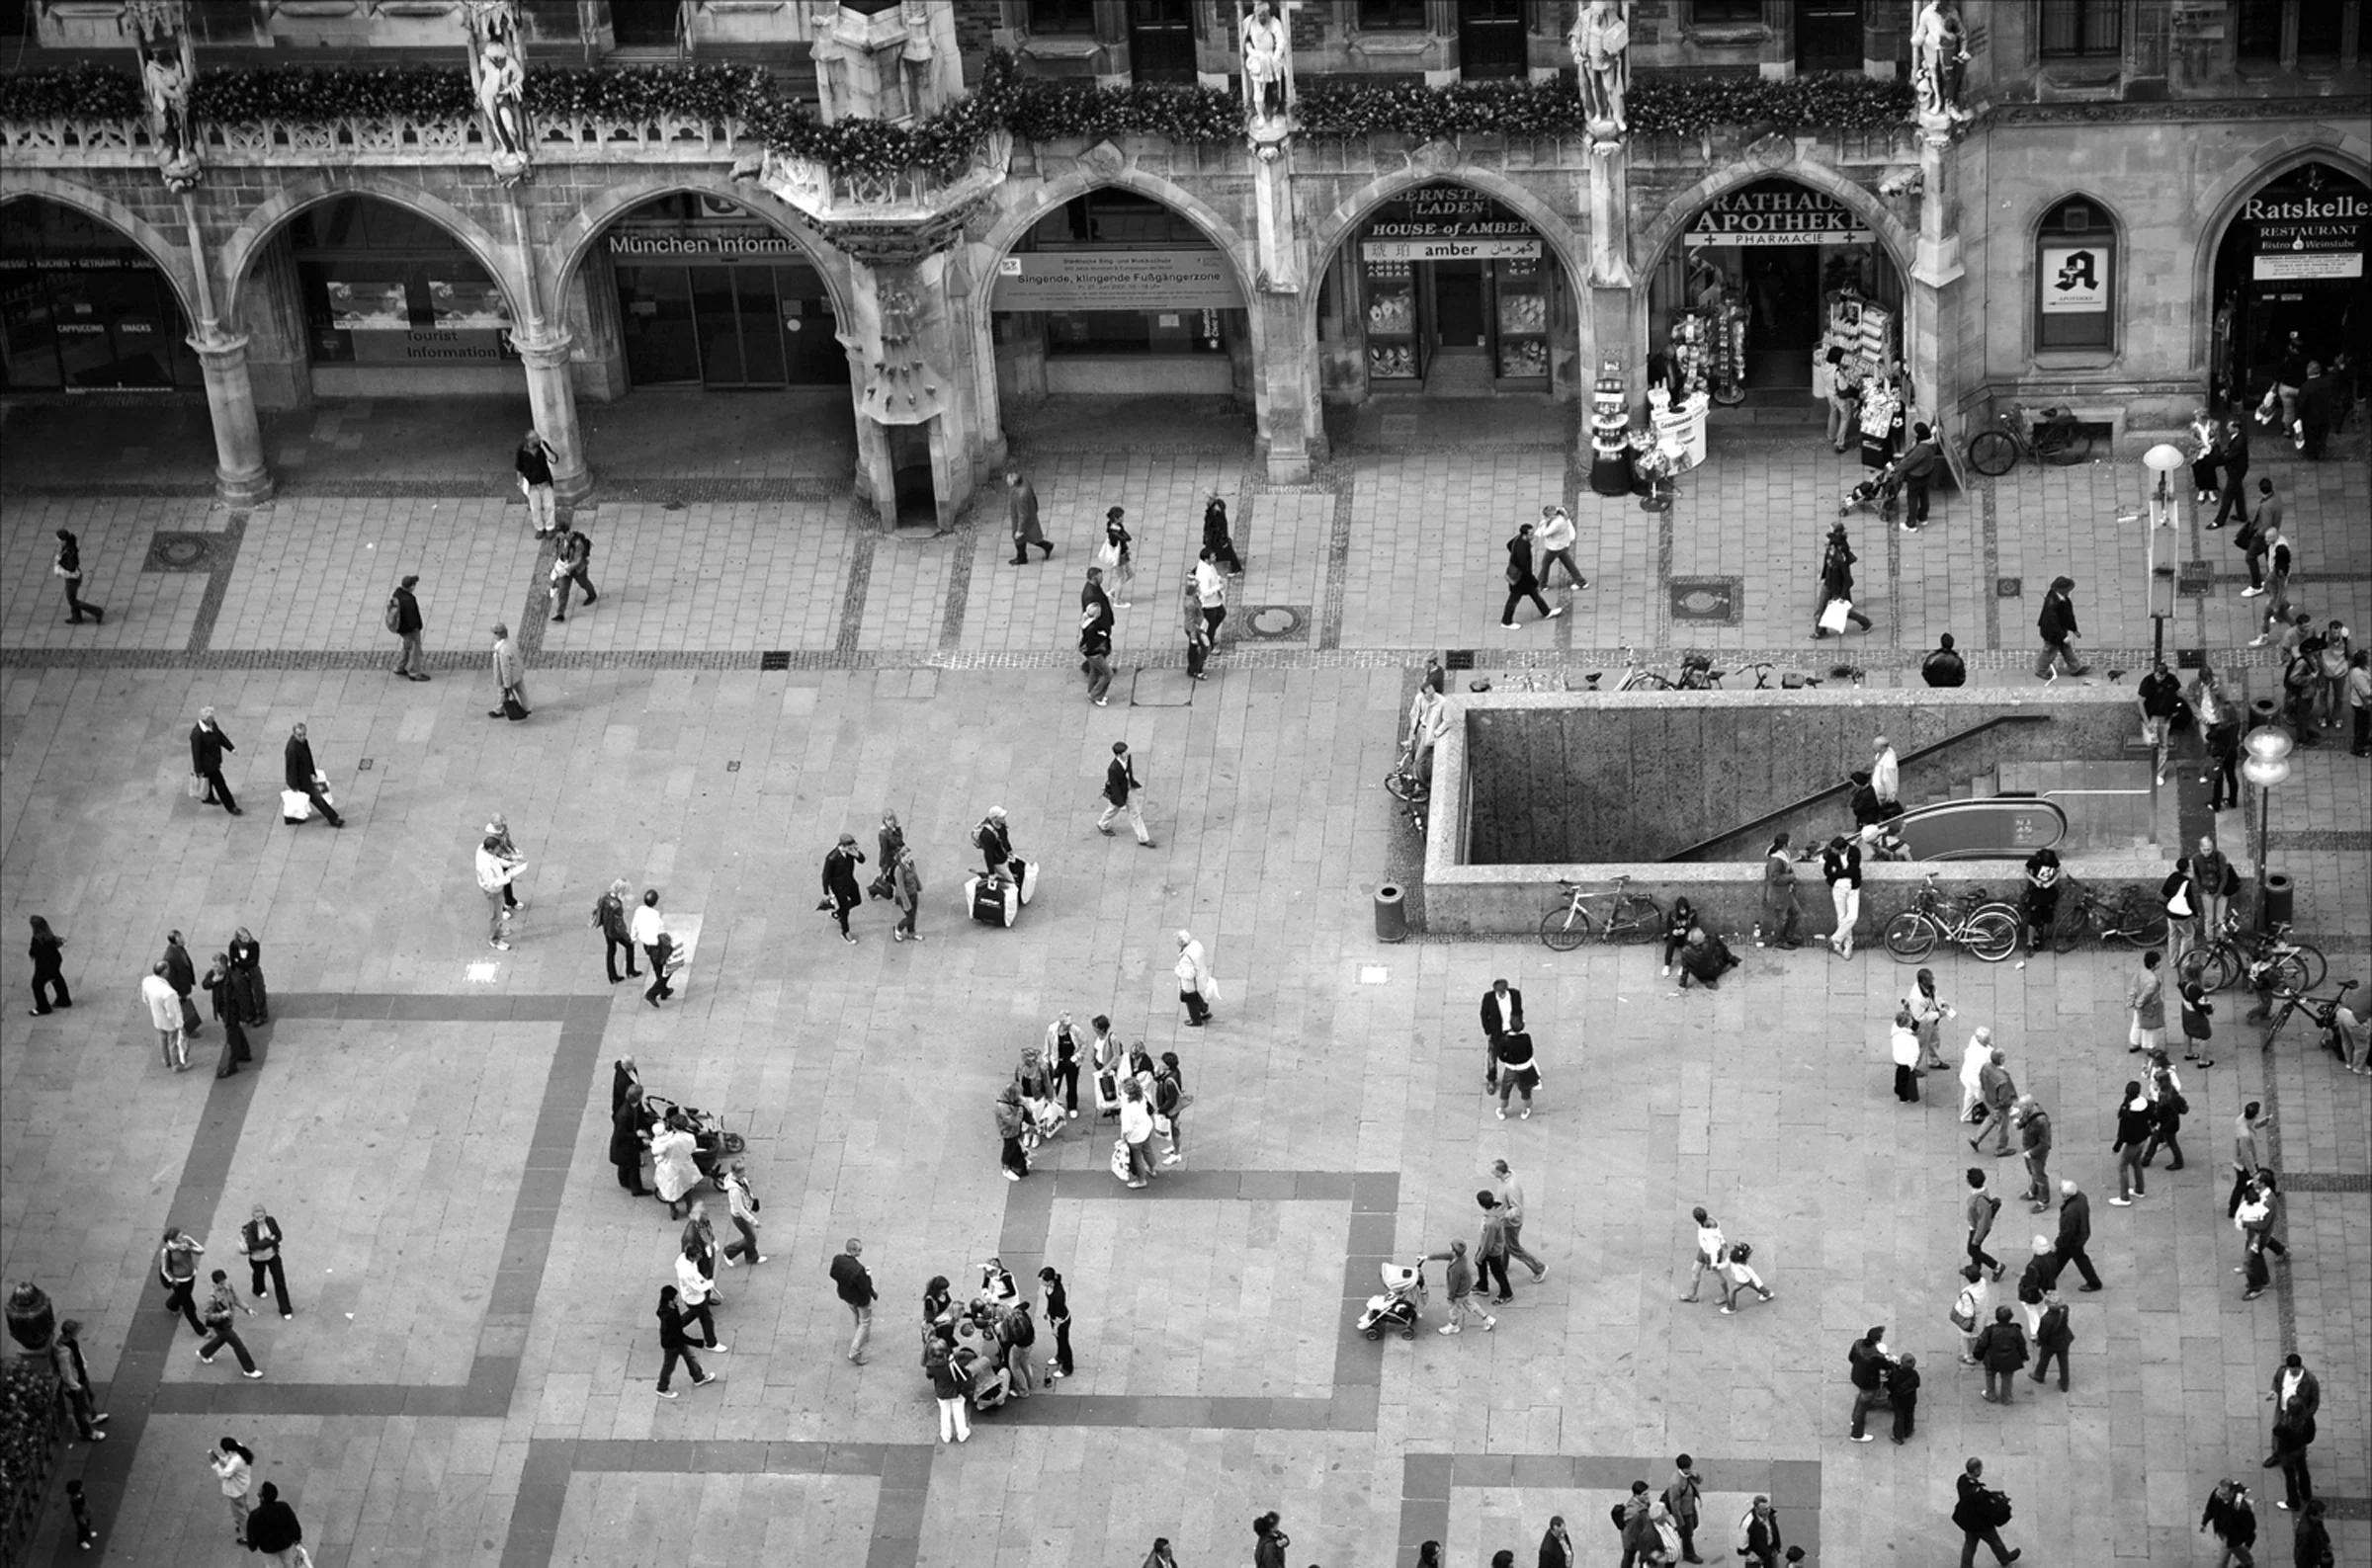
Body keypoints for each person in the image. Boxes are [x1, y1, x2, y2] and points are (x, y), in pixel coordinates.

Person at [1952, 1458, 2021, 1567]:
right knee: (1995, 1541)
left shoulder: (1962, 1480)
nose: (1981, 1470)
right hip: (1981, 1525)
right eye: (1980, 1468)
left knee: (1969, 1545)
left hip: (1968, 1522)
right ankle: (2005, 1558)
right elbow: (1988, 1508)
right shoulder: (1977, 1494)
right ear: (1975, 1470)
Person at [196, 1268, 262, 1376]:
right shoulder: (212, 1298)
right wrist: (221, 1315)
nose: (224, 1285)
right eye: (221, 1284)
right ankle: (249, 1369)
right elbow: (207, 1315)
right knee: (239, 1346)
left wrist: (247, 1309)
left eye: (225, 1282)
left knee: (222, 1339)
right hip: (221, 1325)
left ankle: (205, 1353)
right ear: (216, 1284)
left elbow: (236, 1299)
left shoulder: (228, 1286)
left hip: (229, 1322)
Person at [652, 1284, 715, 1398]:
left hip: (675, 1342)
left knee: (690, 1358)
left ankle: (698, 1378)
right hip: (671, 1345)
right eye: (676, 1297)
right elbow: (679, 1335)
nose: (678, 1298)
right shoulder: (669, 1317)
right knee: (669, 1366)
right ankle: (662, 1388)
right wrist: (697, 1342)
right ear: (670, 1301)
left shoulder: (669, 1308)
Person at [279, 722, 343, 828]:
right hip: (301, 781)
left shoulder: (302, 743)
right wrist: (294, 785)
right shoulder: (292, 749)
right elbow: (291, 769)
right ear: (294, 734)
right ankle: (333, 818)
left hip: (305, 777)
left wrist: (312, 772)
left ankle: (290, 818)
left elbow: (308, 757)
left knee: (301, 800)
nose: (303, 737)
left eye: (304, 734)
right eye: (300, 735)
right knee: (317, 798)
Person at [1813, 523, 1872, 636]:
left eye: (1827, 543)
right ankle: (1820, 631)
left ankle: (1865, 622)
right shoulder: (1831, 549)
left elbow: (1848, 579)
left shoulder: (1840, 558)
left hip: (1836, 588)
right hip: (1828, 584)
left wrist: (1843, 596)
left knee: (1843, 611)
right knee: (1821, 608)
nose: (1825, 543)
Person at [1500, 523, 1565, 628]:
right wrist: (1533, 579)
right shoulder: (1522, 549)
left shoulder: (1518, 539)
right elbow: (1525, 568)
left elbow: (1509, 545)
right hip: (1520, 579)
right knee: (1513, 600)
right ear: (1525, 535)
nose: (1533, 536)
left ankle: (1546, 612)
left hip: (1522, 578)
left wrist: (1513, 556)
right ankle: (1506, 621)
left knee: (1535, 594)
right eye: (1531, 534)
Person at [51, 1319, 106, 1442]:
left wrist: (84, 1365)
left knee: (90, 1397)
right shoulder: (63, 1354)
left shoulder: (71, 1341)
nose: (78, 1333)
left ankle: (93, 1416)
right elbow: (66, 1374)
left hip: (81, 1376)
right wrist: (76, 1386)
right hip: (76, 1384)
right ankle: (88, 1432)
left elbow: (78, 1354)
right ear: (69, 1333)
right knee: (81, 1410)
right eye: (76, 1331)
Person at [238, 1203, 293, 1319]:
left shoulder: (271, 1221)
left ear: (265, 1214)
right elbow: (252, 1245)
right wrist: (268, 1241)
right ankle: (258, 1289)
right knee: (258, 1274)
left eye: (262, 1216)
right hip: (257, 1258)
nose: (260, 1219)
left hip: (272, 1255)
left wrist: (263, 1243)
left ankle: (285, 1309)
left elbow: (279, 1236)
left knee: (279, 1281)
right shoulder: (250, 1227)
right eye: (257, 1218)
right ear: (253, 1217)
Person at [1098, 741, 1155, 847]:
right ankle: (1102, 824)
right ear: (1119, 755)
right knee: (1113, 810)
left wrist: (1131, 783)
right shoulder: (1113, 769)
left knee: (1135, 813)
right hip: (1120, 792)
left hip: (1128, 789)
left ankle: (1143, 838)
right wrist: (1121, 803)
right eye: (1125, 752)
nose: (1127, 753)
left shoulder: (1128, 758)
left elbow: (1129, 771)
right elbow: (1114, 787)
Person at [2138, 658, 2183, 784]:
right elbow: (2140, 702)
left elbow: (2180, 693)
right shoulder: (2147, 682)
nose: (2159, 678)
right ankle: (2156, 767)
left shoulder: (2171, 680)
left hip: (2165, 717)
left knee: (2163, 745)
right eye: (2157, 674)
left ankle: (2159, 772)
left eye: (2162, 675)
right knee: (2152, 743)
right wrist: (2147, 722)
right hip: (2152, 717)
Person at [189, 704, 241, 815]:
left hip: (214, 761)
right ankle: (231, 806)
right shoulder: (197, 735)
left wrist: (231, 748)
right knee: (220, 784)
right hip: (208, 765)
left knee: (209, 782)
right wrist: (198, 770)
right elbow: (196, 754)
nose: (213, 720)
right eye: (211, 718)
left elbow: (220, 736)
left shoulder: (212, 725)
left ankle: (208, 797)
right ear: (205, 720)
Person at [2035, 575, 2087, 679]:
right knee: (2049, 651)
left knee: (2066, 649)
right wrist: (2063, 637)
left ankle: (2075, 668)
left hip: (2060, 629)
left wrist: (2074, 629)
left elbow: (2068, 616)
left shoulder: (2062, 598)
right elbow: (2052, 623)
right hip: (2052, 633)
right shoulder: (2052, 603)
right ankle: (2041, 670)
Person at [2054, 1178, 2103, 1288]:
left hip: (2074, 1239)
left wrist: (2058, 1243)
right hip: (2081, 1233)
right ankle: (2050, 1275)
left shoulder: (2070, 1212)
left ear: (2066, 1195)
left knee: (2077, 1258)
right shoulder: (2081, 1196)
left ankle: (2094, 1283)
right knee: (2062, 1256)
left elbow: (2067, 1232)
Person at [1847, 1325, 1893, 1440]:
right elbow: (1886, 1366)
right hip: (1868, 1383)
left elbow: (1851, 1358)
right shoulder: (1876, 1356)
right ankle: (1857, 1434)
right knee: (1863, 1406)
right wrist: (1889, 1359)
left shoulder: (1858, 1344)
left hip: (1857, 1377)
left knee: (1861, 1398)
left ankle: (1854, 1419)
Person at [1821, 833, 1862, 958]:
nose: (1834, 853)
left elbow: (1853, 871)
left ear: (1843, 849)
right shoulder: (1833, 854)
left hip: (1853, 887)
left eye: (1836, 851)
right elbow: (1827, 871)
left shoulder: (1855, 852)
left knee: (1853, 916)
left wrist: (1837, 872)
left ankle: (1836, 939)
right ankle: (1847, 945)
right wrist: (1842, 874)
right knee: (1842, 917)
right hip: (1838, 887)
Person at [243, 1480, 303, 1566]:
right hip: (285, 1543)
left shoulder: (255, 1515)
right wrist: (298, 1537)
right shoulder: (284, 1507)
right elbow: (293, 1523)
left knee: (272, 1565)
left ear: (261, 1497)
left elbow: (252, 1532)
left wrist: (252, 1545)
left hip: (268, 1548)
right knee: (288, 1562)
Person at [1896, 421, 1943, 529]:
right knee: (1924, 496)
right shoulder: (1931, 442)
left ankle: (1911, 523)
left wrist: (1896, 468)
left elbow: (1909, 462)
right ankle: (1923, 517)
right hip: (1927, 472)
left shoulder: (1921, 449)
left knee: (1912, 499)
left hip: (1916, 476)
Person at [632, 888, 674, 1007]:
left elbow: (634, 925)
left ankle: (664, 991)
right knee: (670, 968)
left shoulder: (639, 910)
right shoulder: (655, 916)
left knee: (657, 968)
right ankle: (652, 993)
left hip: (647, 946)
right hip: (657, 946)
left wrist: (633, 937)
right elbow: (660, 931)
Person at [159, 1226, 206, 1334]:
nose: (182, 1237)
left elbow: (201, 1250)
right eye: (179, 1237)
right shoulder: (167, 1251)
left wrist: (188, 1248)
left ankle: (172, 1305)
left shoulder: (186, 1240)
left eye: (182, 1235)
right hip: (179, 1280)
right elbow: (164, 1269)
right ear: (173, 1239)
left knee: (185, 1293)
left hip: (191, 1275)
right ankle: (200, 1329)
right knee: (188, 1304)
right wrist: (172, 1280)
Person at [720, 1159, 765, 1269]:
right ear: (737, 1172)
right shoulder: (734, 1190)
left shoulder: (741, 1180)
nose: (745, 1172)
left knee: (749, 1236)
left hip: (744, 1213)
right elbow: (740, 1209)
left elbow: (747, 1191)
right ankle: (729, 1252)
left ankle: (751, 1257)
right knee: (751, 1238)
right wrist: (753, 1221)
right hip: (740, 1217)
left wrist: (752, 1199)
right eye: (742, 1170)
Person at [2201, 1479, 2257, 1568]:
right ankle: (2248, 1563)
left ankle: (2247, 1562)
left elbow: (2250, 1526)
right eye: (2219, 1492)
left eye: (2224, 1494)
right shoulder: (2216, 1495)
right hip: (2221, 1530)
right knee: (2236, 1548)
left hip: (2232, 1536)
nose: (2220, 1496)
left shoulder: (2241, 1508)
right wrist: (2204, 1522)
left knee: (2220, 1563)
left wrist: (2248, 1543)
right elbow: (2210, 1509)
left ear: (2232, 1492)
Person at [592, 879, 639, 985]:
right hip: (615, 932)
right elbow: (620, 926)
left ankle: (612, 976)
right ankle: (630, 970)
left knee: (611, 951)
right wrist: (628, 937)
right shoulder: (617, 906)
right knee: (629, 946)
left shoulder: (605, 896)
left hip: (607, 929)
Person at [142, 960, 188, 1071]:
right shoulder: (168, 993)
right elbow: (173, 1012)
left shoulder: (147, 981)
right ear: (164, 972)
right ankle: (176, 1064)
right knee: (173, 1042)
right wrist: (180, 1025)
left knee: (162, 1038)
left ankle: (165, 1060)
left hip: (157, 1018)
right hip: (169, 1022)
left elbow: (145, 999)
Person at [1480, 977, 1523, 1090]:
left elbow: (1518, 1010)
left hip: (1512, 1031)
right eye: (1499, 993)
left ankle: (1516, 1076)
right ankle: (1491, 1079)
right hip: (1497, 1033)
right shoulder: (1489, 998)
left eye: (1503, 992)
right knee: (1492, 1057)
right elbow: (1484, 1015)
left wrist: (1519, 1024)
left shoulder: (1515, 995)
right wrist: (1488, 1031)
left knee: (1515, 1055)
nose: (1501, 995)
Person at [209, 1436, 256, 1539]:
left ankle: (247, 1536)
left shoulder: (236, 1462)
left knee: (240, 1515)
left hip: (236, 1490)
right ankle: (252, 1524)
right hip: (242, 1485)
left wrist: (216, 1464)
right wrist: (219, 1459)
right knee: (245, 1506)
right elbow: (228, 1461)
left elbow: (224, 1474)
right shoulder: (239, 1448)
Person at [53, 527, 104, 624]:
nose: (56, 540)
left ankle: (97, 611)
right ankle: (76, 617)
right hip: (75, 577)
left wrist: (59, 566)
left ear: (63, 540)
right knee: (72, 597)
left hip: (72, 579)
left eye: (58, 538)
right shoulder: (69, 546)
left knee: (72, 600)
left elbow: (70, 567)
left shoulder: (68, 552)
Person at [821, 832, 865, 944]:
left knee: (857, 900)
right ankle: (845, 932)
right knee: (845, 911)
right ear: (843, 846)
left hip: (850, 881)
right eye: (849, 847)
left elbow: (862, 860)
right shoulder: (832, 858)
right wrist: (826, 892)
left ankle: (838, 912)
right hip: (839, 887)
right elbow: (825, 876)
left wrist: (856, 853)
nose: (852, 849)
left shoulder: (850, 852)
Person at [515, 428, 557, 537]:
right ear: (530, 441)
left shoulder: (542, 447)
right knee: (535, 508)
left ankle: (550, 527)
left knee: (549, 505)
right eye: (535, 438)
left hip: (544, 481)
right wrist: (520, 481)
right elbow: (519, 467)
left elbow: (554, 459)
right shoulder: (522, 451)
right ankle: (539, 527)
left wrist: (545, 449)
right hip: (532, 484)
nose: (539, 439)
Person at [551, 523, 597, 619]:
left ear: (565, 532)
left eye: (559, 533)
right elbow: (558, 552)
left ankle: (592, 594)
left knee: (583, 583)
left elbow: (578, 560)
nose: (557, 536)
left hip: (578, 568)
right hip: (564, 567)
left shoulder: (578, 543)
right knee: (563, 589)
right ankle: (560, 613)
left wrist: (567, 568)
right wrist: (559, 564)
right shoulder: (560, 540)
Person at [1536, 503, 1587, 591]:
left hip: (1555, 547)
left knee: (1545, 564)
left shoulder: (1557, 523)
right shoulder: (1560, 514)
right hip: (1562, 544)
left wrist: (1544, 522)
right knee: (1568, 563)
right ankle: (1581, 581)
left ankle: (1542, 584)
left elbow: (1545, 533)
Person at [1004, 467, 1052, 563]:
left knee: (1020, 538)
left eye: (1009, 480)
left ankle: (1022, 557)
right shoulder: (1024, 483)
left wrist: (1020, 530)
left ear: (1014, 481)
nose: (1007, 482)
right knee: (1031, 536)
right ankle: (1023, 556)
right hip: (1030, 514)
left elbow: (1023, 515)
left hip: (1021, 519)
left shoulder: (1020, 495)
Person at [1679, 1206, 1725, 1303]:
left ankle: (1726, 1294)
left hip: (1711, 1253)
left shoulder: (1708, 1232)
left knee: (1718, 1273)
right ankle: (1692, 1295)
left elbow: (1713, 1247)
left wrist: (1713, 1262)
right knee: (1695, 1271)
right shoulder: (1708, 1221)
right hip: (1704, 1250)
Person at [1491, 1028, 1541, 1117]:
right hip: (1524, 1068)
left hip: (1511, 1068)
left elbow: (1501, 1056)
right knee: (1526, 1090)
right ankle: (1525, 1110)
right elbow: (1530, 1053)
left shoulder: (1505, 1040)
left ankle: (1502, 1111)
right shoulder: (1526, 1037)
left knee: (1505, 1089)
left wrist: (1509, 1060)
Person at [2030, 1287, 2073, 1391]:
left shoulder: (2046, 1319)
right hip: (2064, 1340)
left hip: (2051, 1343)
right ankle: (2064, 1383)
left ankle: (2039, 1375)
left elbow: (2043, 1333)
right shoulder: (2065, 1309)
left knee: (2044, 1358)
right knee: (2063, 1362)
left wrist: (2040, 1342)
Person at [1714, 1240, 1773, 1314]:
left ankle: (1731, 1308)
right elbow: (1753, 1275)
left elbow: (1726, 1264)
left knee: (1731, 1292)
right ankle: (1767, 1294)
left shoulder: (1733, 1258)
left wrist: (1717, 1266)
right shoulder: (1740, 1262)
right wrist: (1759, 1284)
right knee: (1756, 1287)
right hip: (1747, 1279)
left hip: (1742, 1281)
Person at [486, 621, 529, 720]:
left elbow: (505, 669)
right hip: (517, 671)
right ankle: (527, 707)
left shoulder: (502, 650)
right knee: (521, 690)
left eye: (494, 633)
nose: (493, 636)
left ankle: (499, 710)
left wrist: (507, 683)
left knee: (502, 693)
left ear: (499, 634)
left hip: (509, 676)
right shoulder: (510, 641)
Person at [388, 573, 428, 680]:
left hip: (402, 628)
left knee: (407, 647)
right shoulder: (409, 600)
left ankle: (399, 667)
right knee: (415, 650)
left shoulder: (398, 592)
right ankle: (414, 673)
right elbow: (412, 618)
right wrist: (417, 627)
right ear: (412, 587)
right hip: (410, 630)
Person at [1173, 930, 1216, 1026]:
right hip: (1201, 977)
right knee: (1200, 997)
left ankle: (1196, 1021)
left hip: (1191, 985)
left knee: (1191, 1002)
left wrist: (1178, 971)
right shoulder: (1196, 945)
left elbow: (1189, 975)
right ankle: (1204, 1010)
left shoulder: (1186, 959)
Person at [1737, 1495, 1784, 1568]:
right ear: (1756, 1509)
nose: (1768, 1511)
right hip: (1756, 1555)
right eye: (1764, 1509)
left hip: (1769, 1551)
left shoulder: (1770, 1514)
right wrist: (1749, 1553)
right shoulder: (1748, 1522)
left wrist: (1776, 1547)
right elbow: (1741, 1544)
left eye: (1768, 1508)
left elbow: (1773, 1531)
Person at [1890, 1008, 1922, 1104]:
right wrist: (1912, 1065)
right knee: (1905, 1079)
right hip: (1906, 1061)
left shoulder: (1895, 1028)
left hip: (1898, 1058)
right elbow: (1913, 1053)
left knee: (1899, 1074)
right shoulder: (1910, 1039)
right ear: (1906, 1024)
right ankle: (1903, 1097)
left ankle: (1897, 1089)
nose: (1912, 1021)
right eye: (1911, 1020)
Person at [1888, 1352, 1922, 1443]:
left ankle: (1898, 1437)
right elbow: (1917, 1384)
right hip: (1911, 1400)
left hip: (1899, 1400)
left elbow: (1890, 1386)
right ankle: (1908, 1431)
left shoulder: (1896, 1374)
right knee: (1909, 1415)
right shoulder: (1914, 1374)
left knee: (1899, 1417)